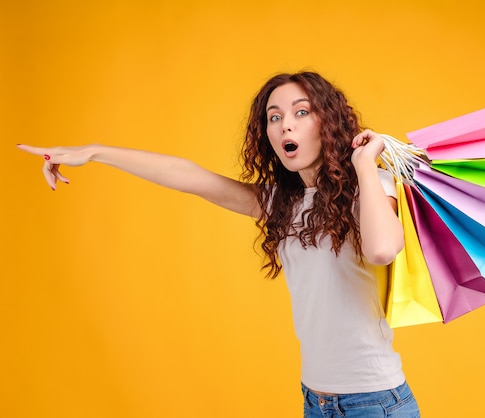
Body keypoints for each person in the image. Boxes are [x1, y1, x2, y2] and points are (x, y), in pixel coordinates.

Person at [18, 71, 420, 417]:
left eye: (301, 112)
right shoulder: (284, 204)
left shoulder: (370, 187)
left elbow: (383, 249)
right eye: (274, 117)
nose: (285, 126)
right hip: (316, 399)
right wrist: (94, 152)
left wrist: (365, 164)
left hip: (375, 402)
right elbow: (189, 176)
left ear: (327, 123)